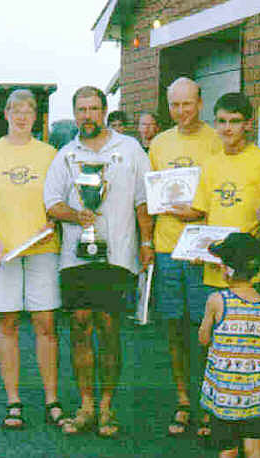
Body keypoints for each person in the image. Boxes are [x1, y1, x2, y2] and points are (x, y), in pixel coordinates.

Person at [44, 86, 154, 438]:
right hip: (75, 258)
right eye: (81, 109)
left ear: (105, 111)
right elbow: (52, 204)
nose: (87, 115)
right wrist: (78, 217)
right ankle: (86, 405)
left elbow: (143, 201)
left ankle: (107, 407)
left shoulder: (130, 149)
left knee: (108, 329)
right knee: (79, 326)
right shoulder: (65, 155)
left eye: (93, 108)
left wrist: (147, 242)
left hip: (118, 255)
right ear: (74, 113)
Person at [0, 89, 64, 430]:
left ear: (36, 117)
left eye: (29, 111)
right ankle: (14, 400)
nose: (22, 117)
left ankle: (52, 399)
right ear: (6, 114)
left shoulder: (50, 154)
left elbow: (59, 202)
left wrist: (53, 223)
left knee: (45, 325)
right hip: (0, 254)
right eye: (15, 111)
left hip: (42, 251)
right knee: (7, 324)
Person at [148, 76, 223, 438]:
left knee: (204, 330)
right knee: (174, 329)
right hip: (166, 248)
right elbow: (149, 197)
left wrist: (198, 214)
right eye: (175, 105)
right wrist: (147, 242)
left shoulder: (216, 139)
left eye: (187, 104)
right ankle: (183, 401)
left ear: (200, 102)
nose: (181, 112)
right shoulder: (159, 143)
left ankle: (209, 403)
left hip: (202, 250)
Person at [172, 91, 260, 289]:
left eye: (234, 121)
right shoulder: (210, 164)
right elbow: (203, 214)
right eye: (222, 121)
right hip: (215, 268)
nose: (227, 128)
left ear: (248, 124)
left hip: (248, 270)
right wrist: (198, 248)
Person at [199, 232, 260, 458]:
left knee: (227, 449)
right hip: (255, 394)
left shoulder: (217, 301)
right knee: (254, 447)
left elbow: (203, 339)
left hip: (225, 394)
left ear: (226, 269)